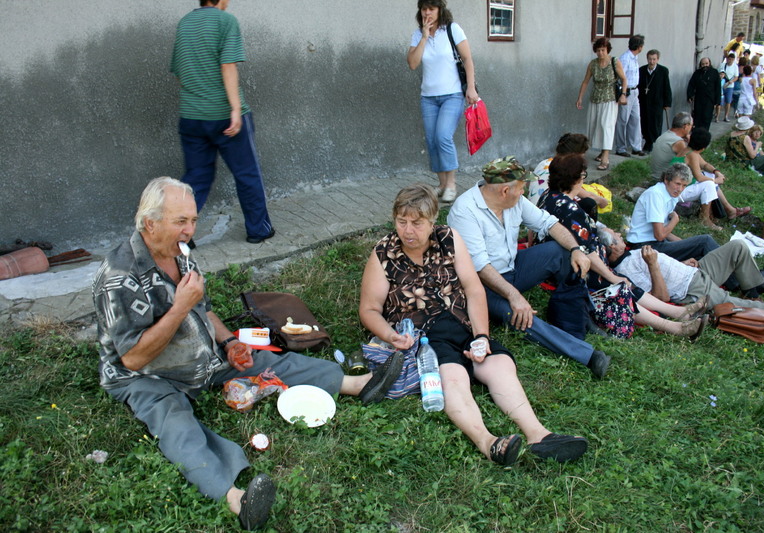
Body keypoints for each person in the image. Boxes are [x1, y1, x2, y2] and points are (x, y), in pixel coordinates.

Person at [93, 177, 403, 531]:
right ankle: (236, 499)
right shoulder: (120, 276)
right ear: (150, 223)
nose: (190, 231)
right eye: (181, 221)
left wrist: (228, 342)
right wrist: (180, 307)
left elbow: (203, 310)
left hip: (198, 356)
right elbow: (133, 358)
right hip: (148, 376)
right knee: (176, 426)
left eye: (193, 220)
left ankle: (356, 384)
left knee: (264, 360)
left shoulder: (180, 255)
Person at [359, 184, 589, 466]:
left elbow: (473, 289)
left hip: (462, 324)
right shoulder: (384, 253)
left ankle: (539, 435)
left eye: (417, 223)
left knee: (499, 365)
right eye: (401, 221)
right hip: (426, 337)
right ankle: (489, 443)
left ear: (432, 221)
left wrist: (481, 336)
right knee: (453, 378)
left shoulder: (449, 238)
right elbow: (369, 309)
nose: (408, 230)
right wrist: (389, 335)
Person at [447, 157, 611, 378]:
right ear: (505, 191)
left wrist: (575, 249)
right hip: (481, 284)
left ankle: (580, 315)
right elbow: (480, 267)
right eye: (522, 187)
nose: (524, 192)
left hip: (514, 267)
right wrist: (514, 296)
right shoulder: (465, 211)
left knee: (561, 251)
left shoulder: (514, 201)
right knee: (518, 314)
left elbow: (549, 223)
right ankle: (588, 356)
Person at [541, 155, 706, 339]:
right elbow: (586, 252)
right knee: (620, 286)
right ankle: (675, 327)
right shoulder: (570, 210)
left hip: (565, 263)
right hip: (576, 269)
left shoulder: (549, 196)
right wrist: (612, 277)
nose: (584, 180)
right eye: (583, 175)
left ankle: (677, 312)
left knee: (623, 281)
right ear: (575, 180)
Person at [171, 0, 275, 244]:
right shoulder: (225, 20)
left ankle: (179, 237)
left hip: (192, 116)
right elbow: (228, 65)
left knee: (196, 177)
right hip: (225, 116)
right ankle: (259, 230)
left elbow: (179, 72)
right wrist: (236, 109)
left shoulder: (185, 23)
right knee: (247, 174)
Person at [605, 230, 764, 328]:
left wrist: (680, 264)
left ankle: (752, 290)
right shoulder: (626, 270)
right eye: (616, 235)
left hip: (695, 271)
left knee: (737, 246)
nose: (620, 234)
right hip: (693, 288)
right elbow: (660, 298)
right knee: (758, 309)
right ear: (612, 247)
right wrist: (653, 264)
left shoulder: (631, 253)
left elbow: (662, 268)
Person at [407, 0, 478, 203]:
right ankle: (442, 184)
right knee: (432, 140)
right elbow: (412, 64)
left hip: (452, 95)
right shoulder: (418, 34)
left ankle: (451, 185)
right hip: (428, 97)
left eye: (432, 8)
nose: (427, 12)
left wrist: (471, 87)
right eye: (424, 9)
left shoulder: (452, 29)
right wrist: (424, 37)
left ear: (440, 10)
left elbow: (467, 59)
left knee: (443, 136)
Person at [627, 163, 720, 262]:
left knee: (700, 255)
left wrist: (684, 244)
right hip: (643, 247)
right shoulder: (655, 195)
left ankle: (723, 263)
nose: (680, 189)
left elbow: (664, 232)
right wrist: (675, 220)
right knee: (704, 242)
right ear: (666, 180)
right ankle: (727, 259)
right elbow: (659, 235)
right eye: (677, 184)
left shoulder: (670, 194)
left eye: (684, 185)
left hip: (654, 243)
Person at [681, 127, 751, 229]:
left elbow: (704, 164)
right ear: (703, 148)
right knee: (709, 184)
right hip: (680, 191)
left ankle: (729, 210)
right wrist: (716, 180)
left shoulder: (688, 150)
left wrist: (716, 172)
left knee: (710, 176)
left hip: (680, 187)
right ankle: (705, 219)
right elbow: (699, 177)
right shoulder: (692, 154)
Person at [528, 133, 610, 217]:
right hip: (548, 212)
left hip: (534, 209)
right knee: (589, 203)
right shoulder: (566, 169)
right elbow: (586, 195)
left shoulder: (545, 163)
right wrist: (604, 202)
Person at [576, 37, 628, 171]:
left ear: (607, 50)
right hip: (595, 98)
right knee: (594, 126)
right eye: (598, 50)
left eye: (603, 50)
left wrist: (623, 94)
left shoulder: (614, 62)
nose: (600, 53)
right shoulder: (593, 64)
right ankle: (599, 151)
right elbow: (586, 81)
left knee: (606, 126)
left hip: (610, 99)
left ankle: (605, 156)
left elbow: (624, 79)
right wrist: (580, 97)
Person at [614, 35, 646, 157]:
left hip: (635, 90)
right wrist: (622, 93)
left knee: (636, 118)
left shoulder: (635, 57)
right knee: (623, 120)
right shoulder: (625, 58)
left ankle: (636, 146)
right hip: (627, 91)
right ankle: (621, 148)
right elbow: (620, 77)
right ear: (639, 46)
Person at [638, 49, 672, 153]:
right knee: (645, 121)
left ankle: (654, 142)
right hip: (644, 101)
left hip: (657, 101)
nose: (651, 61)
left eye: (654, 59)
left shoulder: (663, 71)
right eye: (650, 59)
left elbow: (667, 87)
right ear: (647, 59)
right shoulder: (642, 70)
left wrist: (667, 102)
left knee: (655, 122)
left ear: (657, 59)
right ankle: (648, 141)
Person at [649, 112, 693, 181]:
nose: (691, 129)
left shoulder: (665, 134)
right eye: (691, 126)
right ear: (685, 126)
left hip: (656, 176)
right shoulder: (678, 142)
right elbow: (693, 162)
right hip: (666, 180)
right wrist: (692, 143)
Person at [687, 57, 721, 130]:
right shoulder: (697, 73)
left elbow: (718, 87)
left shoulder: (714, 72)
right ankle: (697, 133)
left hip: (710, 100)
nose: (705, 65)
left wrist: (717, 101)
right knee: (697, 117)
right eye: (703, 64)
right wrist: (690, 95)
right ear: (700, 65)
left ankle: (705, 133)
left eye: (706, 63)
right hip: (699, 99)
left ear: (709, 63)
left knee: (707, 117)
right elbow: (691, 84)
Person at [716, 54, 739, 123]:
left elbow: (736, 77)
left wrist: (731, 81)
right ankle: (717, 115)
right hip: (721, 85)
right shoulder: (722, 65)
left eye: (732, 59)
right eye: (729, 59)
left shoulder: (735, 67)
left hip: (730, 86)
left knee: (728, 101)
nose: (730, 61)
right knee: (719, 101)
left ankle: (726, 116)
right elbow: (717, 73)